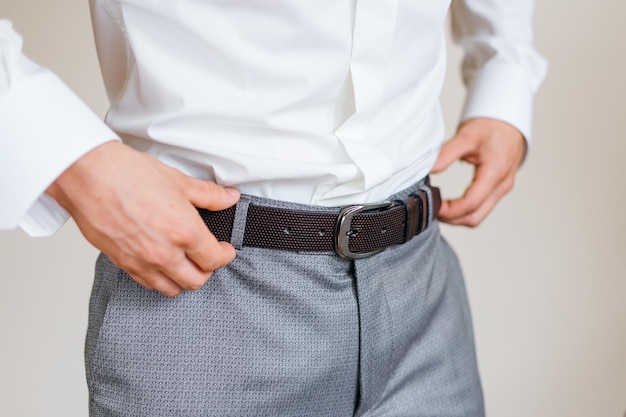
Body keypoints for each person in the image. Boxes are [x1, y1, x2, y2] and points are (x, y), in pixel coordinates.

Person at [0, 1, 546, 416]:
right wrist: (74, 164)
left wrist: (505, 71)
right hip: (206, 298)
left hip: (423, 294)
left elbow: (502, 55)